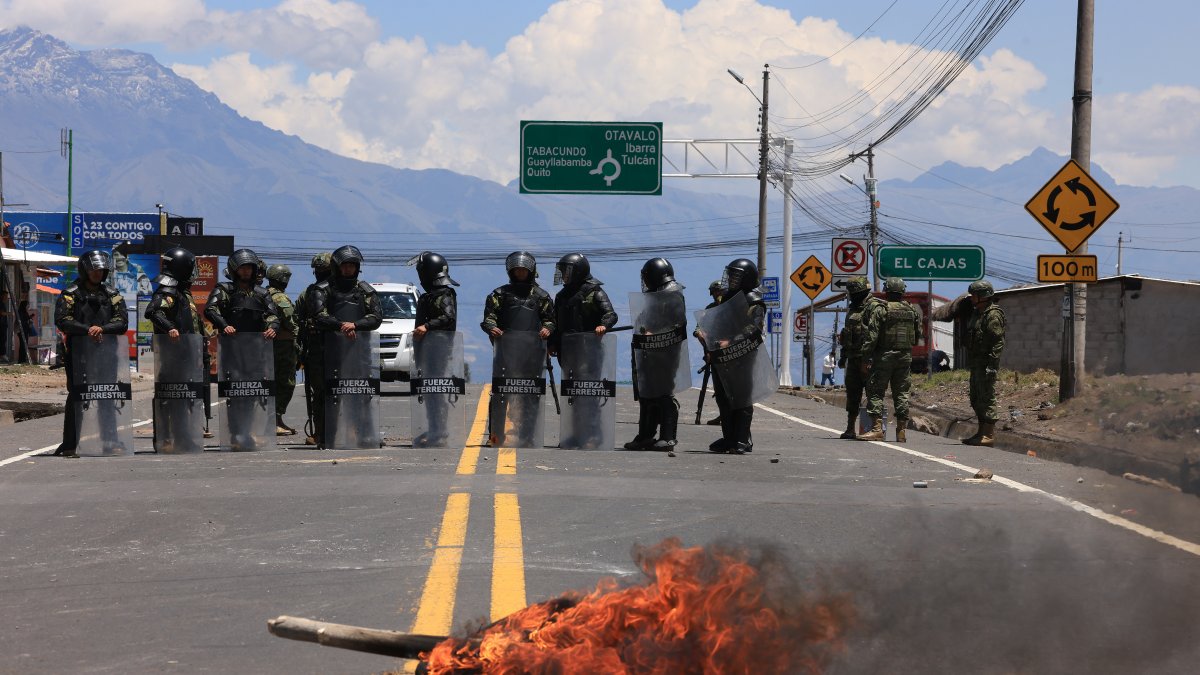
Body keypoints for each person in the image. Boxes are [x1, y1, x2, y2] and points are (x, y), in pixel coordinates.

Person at [52, 250, 129, 457]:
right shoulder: (71, 293)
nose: (98, 273)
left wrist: (102, 329)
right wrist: (87, 330)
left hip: (107, 353)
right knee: (77, 396)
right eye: (94, 269)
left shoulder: (112, 294)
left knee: (106, 395)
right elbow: (62, 320)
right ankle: (70, 444)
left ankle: (110, 441)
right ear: (85, 270)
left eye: (101, 270)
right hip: (78, 355)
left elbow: (122, 321)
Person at [309, 245, 383, 448]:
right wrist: (341, 325)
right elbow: (318, 315)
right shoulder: (322, 289)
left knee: (362, 393)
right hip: (328, 351)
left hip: (358, 351)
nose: (349, 269)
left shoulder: (364, 290)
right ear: (337, 267)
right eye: (345, 265)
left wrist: (356, 325)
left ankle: (365, 434)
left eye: (353, 265)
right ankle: (326, 436)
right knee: (328, 394)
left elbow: (376, 317)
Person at [205, 249, 280, 449]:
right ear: (234, 269)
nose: (246, 271)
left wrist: (272, 328)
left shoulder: (262, 293)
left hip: (256, 352)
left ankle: (247, 431)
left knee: (253, 394)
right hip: (233, 351)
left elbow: (272, 315)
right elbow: (211, 309)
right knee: (236, 394)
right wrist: (223, 325)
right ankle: (236, 434)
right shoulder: (225, 289)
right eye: (242, 268)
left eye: (250, 268)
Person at [480, 251, 554, 447]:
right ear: (511, 271)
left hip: (532, 354)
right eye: (517, 270)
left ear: (530, 271)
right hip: (506, 353)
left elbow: (550, 319)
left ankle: (528, 435)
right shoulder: (499, 294)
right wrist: (491, 327)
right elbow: (489, 317)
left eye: (523, 269)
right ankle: (495, 435)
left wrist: (548, 329)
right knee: (501, 393)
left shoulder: (541, 296)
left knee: (530, 395)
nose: (520, 273)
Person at [145, 246, 211, 450]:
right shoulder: (168, 291)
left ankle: (183, 436)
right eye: (190, 268)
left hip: (188, 354)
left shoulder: (183, 292)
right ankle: (166, 438)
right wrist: (170, 329)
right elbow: (154, 312)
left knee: (186, 398)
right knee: (171, 398)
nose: (193, 273)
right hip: (173, 355)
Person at [699, 258, 767, 455]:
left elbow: (753, 329)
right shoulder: (728, 298)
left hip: (743, 356)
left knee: (742, 398)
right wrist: (710, 341)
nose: (730, 279)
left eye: (735, 276)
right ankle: (729, 438)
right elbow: (718, 323)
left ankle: (742, 439)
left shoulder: (754, 301)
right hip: (722, 356)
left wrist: (731, 341)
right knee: (723, 397)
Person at [550, 252, 617, 449]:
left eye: (566, 271)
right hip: (568, 353)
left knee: (589, 395)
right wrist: (552, 343)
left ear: (577, 272)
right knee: (574, 395)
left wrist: (603, 326)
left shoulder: (594, 292)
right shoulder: (562, 296)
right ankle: (577, 434)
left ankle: (593, 435)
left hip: (590, 352)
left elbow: (610, 314)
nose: (563, 276)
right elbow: (556, 323)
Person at [626, 258, 687, 451]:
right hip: (648, 351)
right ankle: (645, 436)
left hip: (666, 353)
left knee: (663, 394)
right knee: (647, 393)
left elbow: (678, 324)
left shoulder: (673, 295)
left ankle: (668, 437)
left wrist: (656, 333)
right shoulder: (655, 295)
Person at [857, 277, 921, 442]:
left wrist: (865, 358)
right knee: (901, 393)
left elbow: (872, 337)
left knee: (876, 391)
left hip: (884, 357)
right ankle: (901, 432)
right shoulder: (911, 310)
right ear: (902, 291)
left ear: (886, 291)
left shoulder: (881, 309)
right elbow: (917, 336)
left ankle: (877, 429)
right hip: (905, 357)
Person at [411, 251, 460, 447]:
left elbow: (448, 317)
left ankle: (440, 431)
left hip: (439, 350)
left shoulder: (445, 294)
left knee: (437, 391)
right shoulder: (429, 296)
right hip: (428, 350)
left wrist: (427, 326)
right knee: (430, 392)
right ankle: (434, 429)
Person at [836, 276, 880, 439]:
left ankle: (874, 428)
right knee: (853, 394)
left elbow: (875, 336)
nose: (851, 296)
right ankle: (850, 428)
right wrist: (843, 357)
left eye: (854, 293)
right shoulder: (853, 308)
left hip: (868, 359)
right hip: (853, 359)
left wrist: (869, 359)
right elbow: (847, 335)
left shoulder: (874, 307)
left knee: (872, 394)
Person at [962, 280, 1006, 446]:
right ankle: (981, 433)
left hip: (986, 363)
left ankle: (988, 434)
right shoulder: (978, 313)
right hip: (976, 362)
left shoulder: (993, 314)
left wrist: (992, 365)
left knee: (987, 397)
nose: (972, 298)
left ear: (983, 297)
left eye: (974, 295)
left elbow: (998, 342)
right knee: (976, 397)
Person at [295, 253, 332, 445]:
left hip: (341, 348)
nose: (320, 274)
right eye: (318, 271)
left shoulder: (340, 290)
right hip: (316, 349)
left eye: (324, 270)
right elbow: (298, 322)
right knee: (319, 393)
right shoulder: (309, 293)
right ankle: (319, 432)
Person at [265, 264, 299, 436]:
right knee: (286, 382)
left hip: (269, 346)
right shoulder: (279, 298)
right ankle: (275, 419)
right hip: (283, 346)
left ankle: (273, 420)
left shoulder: (264, 294)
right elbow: (290, 322)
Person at [702, 280, 724, 426]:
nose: (717, 295)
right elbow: (700, 330)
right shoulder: (709, 309)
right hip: (714, 350)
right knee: (718, 386)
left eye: (720, 292)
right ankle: (723, 413)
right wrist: (708, 349)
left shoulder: (731, 307)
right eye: (715, 292)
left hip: (731, 349)